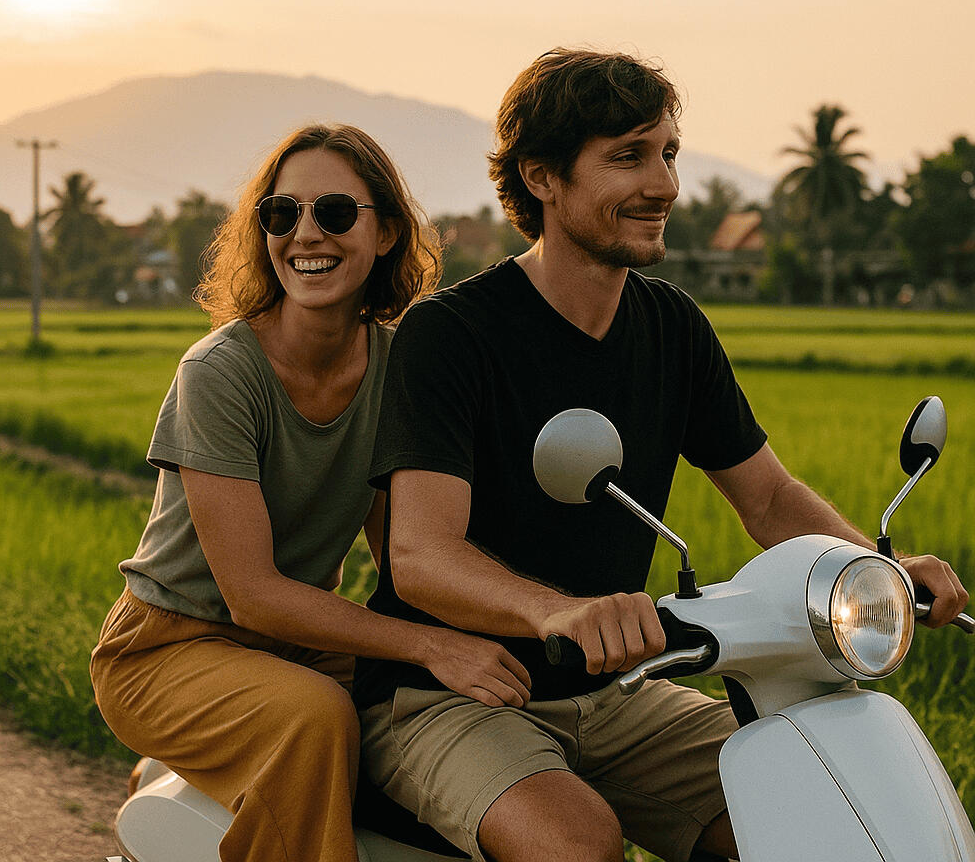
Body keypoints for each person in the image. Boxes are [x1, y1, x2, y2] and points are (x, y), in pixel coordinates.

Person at [352, 50, 971, 862]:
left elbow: (769, 499)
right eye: (628, 157)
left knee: (804, 801)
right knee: (576, 842)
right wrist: (556, 612)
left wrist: (877, 566)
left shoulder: (672, 327)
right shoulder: (455, 333)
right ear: (541, 178)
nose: (664, 185)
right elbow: (420, 555)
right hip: (452, 693)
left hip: (616, 691)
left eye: (668, 153)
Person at [90, 123, 528, 862]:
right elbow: (252, 594)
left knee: (441, 708)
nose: (304, 234)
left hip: (298, 646)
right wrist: (429, 643)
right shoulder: (220, 374)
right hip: (167, 649)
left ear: (386, 231)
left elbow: (405, 553)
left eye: (332, 212)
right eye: (280, 215)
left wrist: (524, 621)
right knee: (316, 718)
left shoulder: (400, 368)